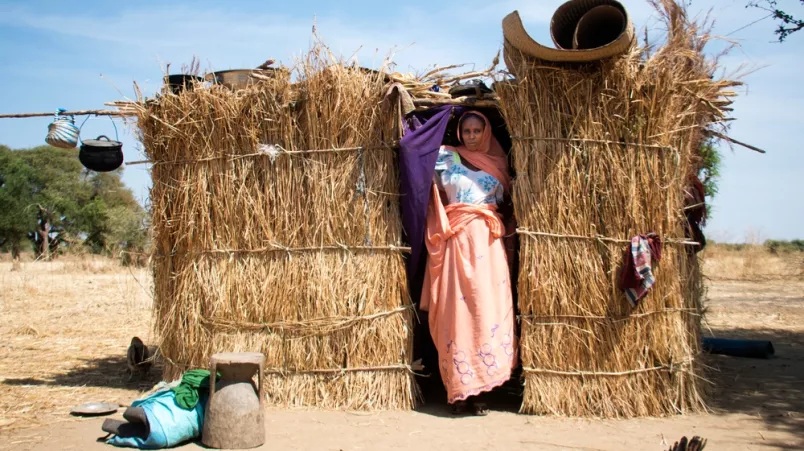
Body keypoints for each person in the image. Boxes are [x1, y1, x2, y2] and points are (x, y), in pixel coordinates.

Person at [419, 110, 518, 416]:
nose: (473, 136)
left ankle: (483, 391)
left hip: (488, 247)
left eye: (478, 131)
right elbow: (418, 168)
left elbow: (506, 206)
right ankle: (458, 391)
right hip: (456, 246)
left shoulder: (500, 166)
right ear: (459, 133)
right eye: (468, 131)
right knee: (456, 314)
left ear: (486, 133)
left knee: (487, 311)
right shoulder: (445, 158)